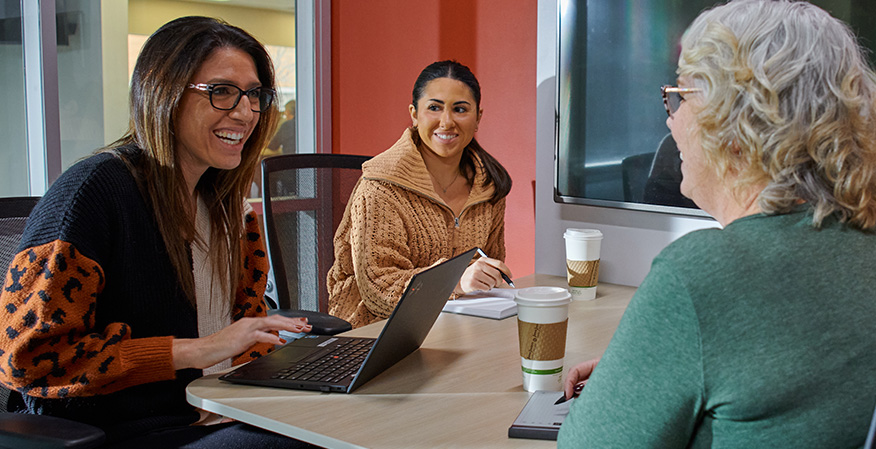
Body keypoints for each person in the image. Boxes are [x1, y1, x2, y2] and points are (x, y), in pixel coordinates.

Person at [558, 1, 876, 447]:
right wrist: (644, 368)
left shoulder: (703, 274)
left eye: (682, 97)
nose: (671, 118)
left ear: (736, 123)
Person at [0, 16, 314, 448]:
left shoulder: (227, 207)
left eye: (254, 95)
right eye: (221, 92)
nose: (245, 112)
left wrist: (302, 363)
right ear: (162, 93)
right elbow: (28, 360)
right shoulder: (94, 191)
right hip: (132, 431)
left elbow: (244, 325)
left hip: (226, 407)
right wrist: (195, 350)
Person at [327, 60, 513, 329]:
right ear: (414, 115)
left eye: (460, 109)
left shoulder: (489, 186)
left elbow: (487, 266)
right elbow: (379, 290)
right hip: (375, 333)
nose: (446, 122)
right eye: (434, 108)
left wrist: (487, 276)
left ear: (478, 118)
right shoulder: (381, 186)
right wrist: (456, 280)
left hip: (455, 327)